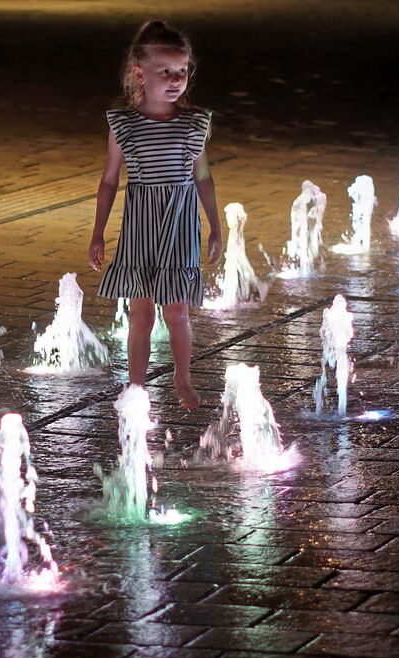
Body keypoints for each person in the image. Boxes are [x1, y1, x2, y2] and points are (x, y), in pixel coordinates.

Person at [88, 20, 221, 410]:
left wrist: (216, 226)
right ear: (139, 74)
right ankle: (136, 386)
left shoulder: (194, 124)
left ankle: (183, 376)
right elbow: (109, 180)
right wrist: (98, 232)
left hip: (179, 225)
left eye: (182, 70)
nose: (176, 79)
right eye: (165, 71)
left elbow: (203, 177)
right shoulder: (124, 125)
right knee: (141, 312)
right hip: (141, 225)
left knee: (177, 311)